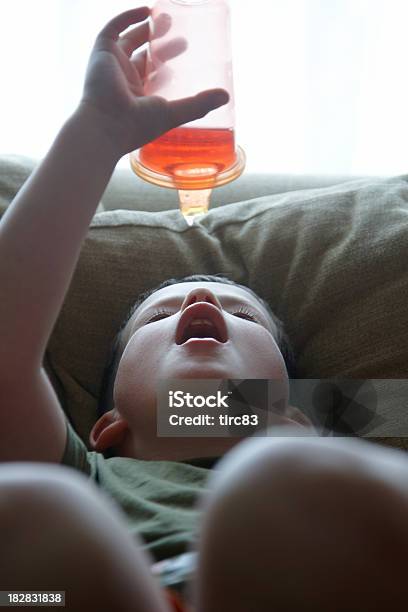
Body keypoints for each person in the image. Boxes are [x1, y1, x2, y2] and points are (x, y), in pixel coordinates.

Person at [1, 7, 408, 612]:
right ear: (109, 424)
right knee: (31, 518)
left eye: (244, 318)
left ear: (293, 411)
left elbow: (382, 406)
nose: (198, 298)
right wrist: (96, 133)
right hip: (73, 595)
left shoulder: (300, 448)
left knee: (285, 478)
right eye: (157, 316)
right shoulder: (87, 473)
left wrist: (289, 429)